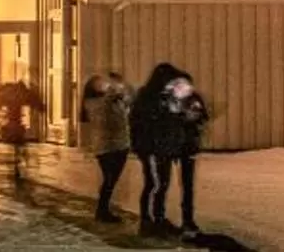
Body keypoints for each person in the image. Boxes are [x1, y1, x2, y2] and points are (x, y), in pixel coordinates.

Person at [128, 60, 210, 238]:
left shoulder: (184, 95)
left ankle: (179, 220)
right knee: (159, 183)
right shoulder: (155, 97)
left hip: (182, 145)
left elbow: (202, 115)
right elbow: (146, 122)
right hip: (164, 146)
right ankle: (157, 219)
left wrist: (193, 115)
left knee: (176, 185)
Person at [79, 71, 133, 222]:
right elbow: (107, 102)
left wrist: (122, 91)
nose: (105, 85)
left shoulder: (114, 100)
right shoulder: (93, 102)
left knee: (111, 179)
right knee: (109, 179)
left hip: (121, 144)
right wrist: (117, 85)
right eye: (100, 83)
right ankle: (102, 211)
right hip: (105, 145)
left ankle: (104, 209)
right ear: (92, 88)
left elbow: (126, 103)